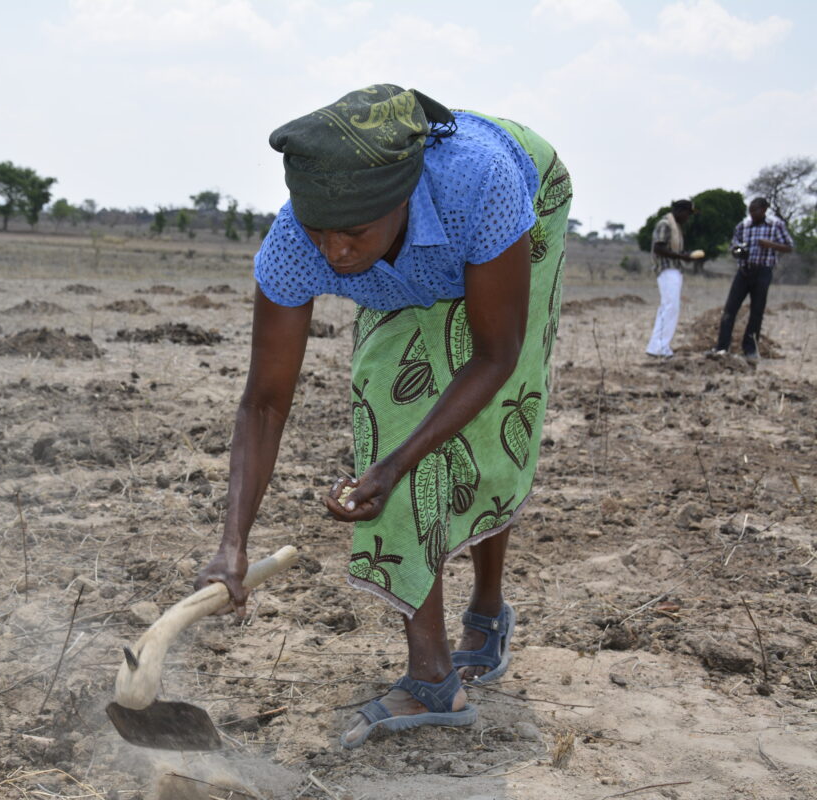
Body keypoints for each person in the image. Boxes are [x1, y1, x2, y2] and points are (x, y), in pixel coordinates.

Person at [195, 84, 571, 748]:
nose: (335, 253)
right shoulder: (296, 241)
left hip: (526, 196)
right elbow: (264, 400)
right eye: (320, 232)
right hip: (415, 263)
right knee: (387, 402)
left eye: (355, 233)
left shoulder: (478, 186)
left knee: (486, 425)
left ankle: (487, 608)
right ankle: (433, 676)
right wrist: (232, 540)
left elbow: (496, 353)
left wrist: (399, 465)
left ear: (401, 199)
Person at [709, 197, 794, 361]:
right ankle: (721, 347)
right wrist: (738, 251)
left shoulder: (776, 225)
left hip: (763, 271)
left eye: (755, 210)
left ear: (764, 210)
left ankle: (750, 349)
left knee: (757, 311)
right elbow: (734, 245)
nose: (752, 213)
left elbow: (789, 246)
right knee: (730, 309)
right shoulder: (743, 226)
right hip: (744, 271)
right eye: (750, 210)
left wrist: (770, 244)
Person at [645, 199, 700, 359]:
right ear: (680, 211)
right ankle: (660, 347)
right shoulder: (665, 224)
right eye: (687, 214)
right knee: (670, 307)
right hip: (667, 269)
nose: (687, 218)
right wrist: (681, 256)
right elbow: (658, 248)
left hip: (673, 269)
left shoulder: (674, 226)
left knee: (668, 307)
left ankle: (657, 346)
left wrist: (684, 255)